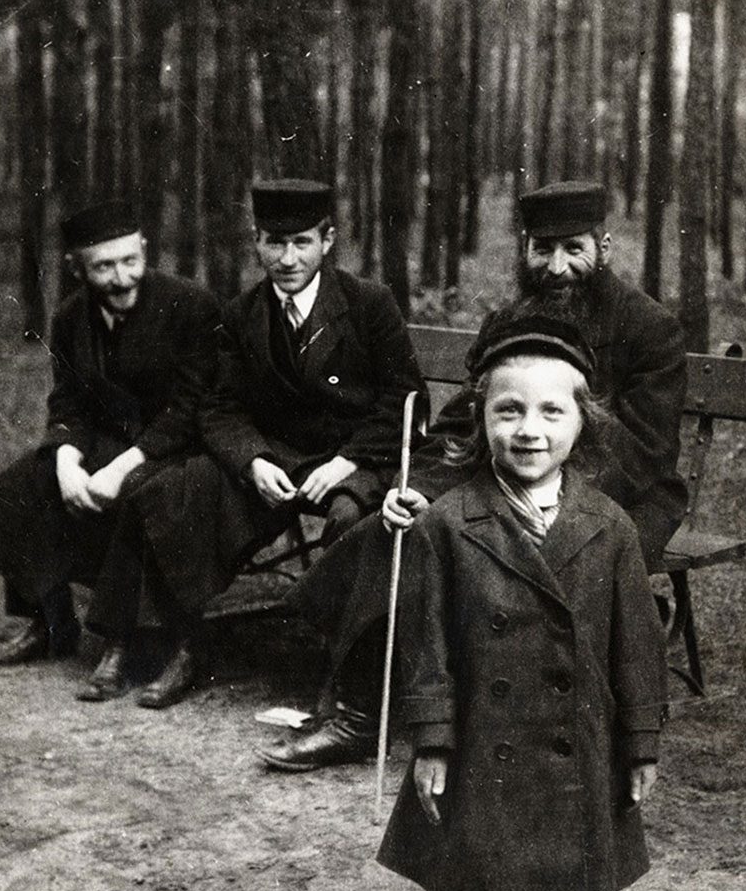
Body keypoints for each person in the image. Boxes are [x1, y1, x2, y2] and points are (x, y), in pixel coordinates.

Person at [257, 178, 685, 771]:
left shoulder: (649, 329)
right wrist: (421, 488)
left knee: (569, 550)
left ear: (604, 248)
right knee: (405, 528)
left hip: (622, 491)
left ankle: (571, 718)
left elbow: (644, 449)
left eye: (573, 249)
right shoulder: (509, 322)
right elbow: (462, 427)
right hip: (510, 476)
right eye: (542, 249)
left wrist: (544, 497)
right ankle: (359, 714)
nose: (556, 267)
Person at [376, 306, 668, 891]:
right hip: (483, 738)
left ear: (584, 420)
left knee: (557, 876)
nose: (530, 429)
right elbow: (428, 644)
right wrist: (433, 741)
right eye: (509, 409)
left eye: (551, 410)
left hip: (575, 739)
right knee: (484, 875)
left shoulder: (609, 528)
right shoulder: (449, 520)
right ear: (482, 419)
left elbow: (636, 646)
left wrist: (640, 742)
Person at [77, 178, 426, 709]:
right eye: (273, 242)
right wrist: (253, 461)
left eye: (302, 242)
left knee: (351, 521)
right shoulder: (242, 314)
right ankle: (180, 643)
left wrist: (348, 460)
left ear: (327, 241)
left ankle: (344, 676)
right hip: (276, 458)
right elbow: (220, 407)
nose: (287, 258)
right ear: (257, 243)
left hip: (354, 456)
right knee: (173, 488)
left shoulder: (367, 303)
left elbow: (406, 399)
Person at [0, 198, 220, 667]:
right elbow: (68, 402)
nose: (121, 278)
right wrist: (64, 459)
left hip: (175, 446)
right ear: (76, 268)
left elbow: (190, 409)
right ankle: (49, 621)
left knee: (138, 494)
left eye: (130, 261)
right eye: (104, 267)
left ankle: (124, 639)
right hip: (105, 441)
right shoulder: (69, 319)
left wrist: (121, 466)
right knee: (20, 488)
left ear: (144, 249)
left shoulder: (191, 306)